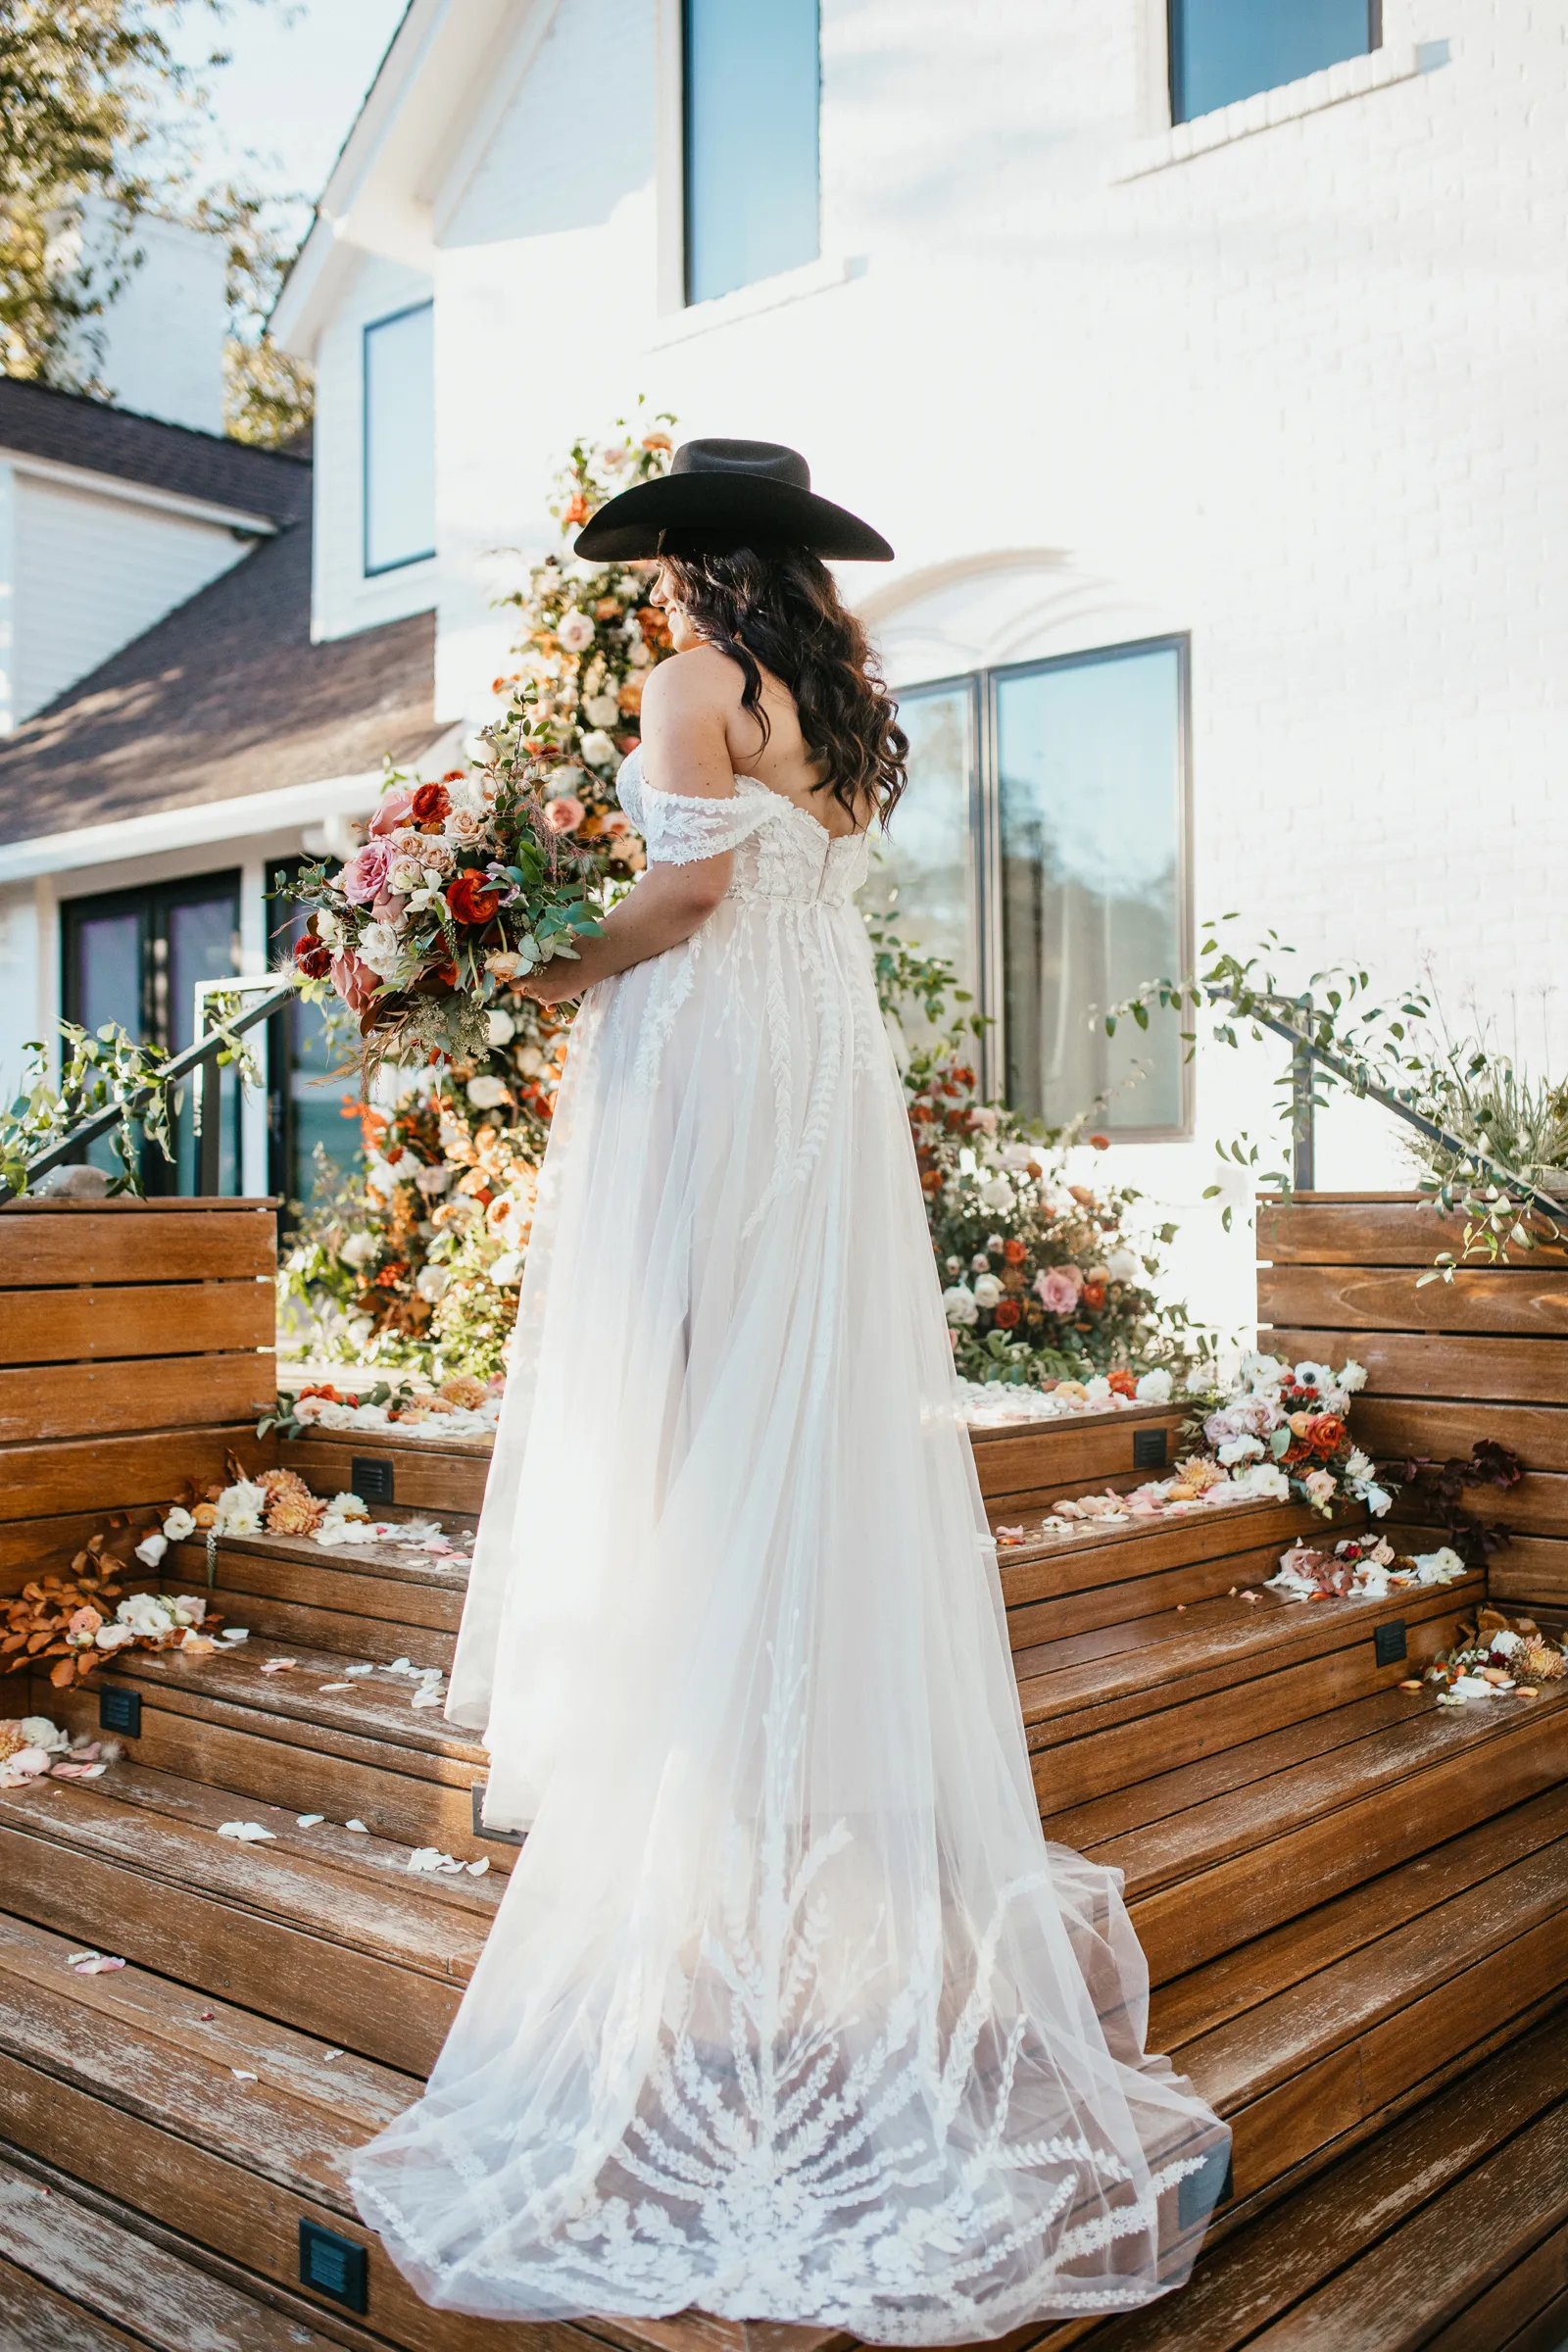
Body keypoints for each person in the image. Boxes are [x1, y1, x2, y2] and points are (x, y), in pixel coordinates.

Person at [348, 439, 1228, 2341]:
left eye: (656, 558)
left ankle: (699, 1789)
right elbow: (776, 885)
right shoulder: (834, 698)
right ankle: (775, 1750)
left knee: (681, 1397)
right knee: (783, 1401)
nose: (648, 585)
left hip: (713, 1057)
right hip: (817, 1068)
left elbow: (668, 913)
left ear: (688, 562)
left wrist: (509, 973)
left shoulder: (683, 683)